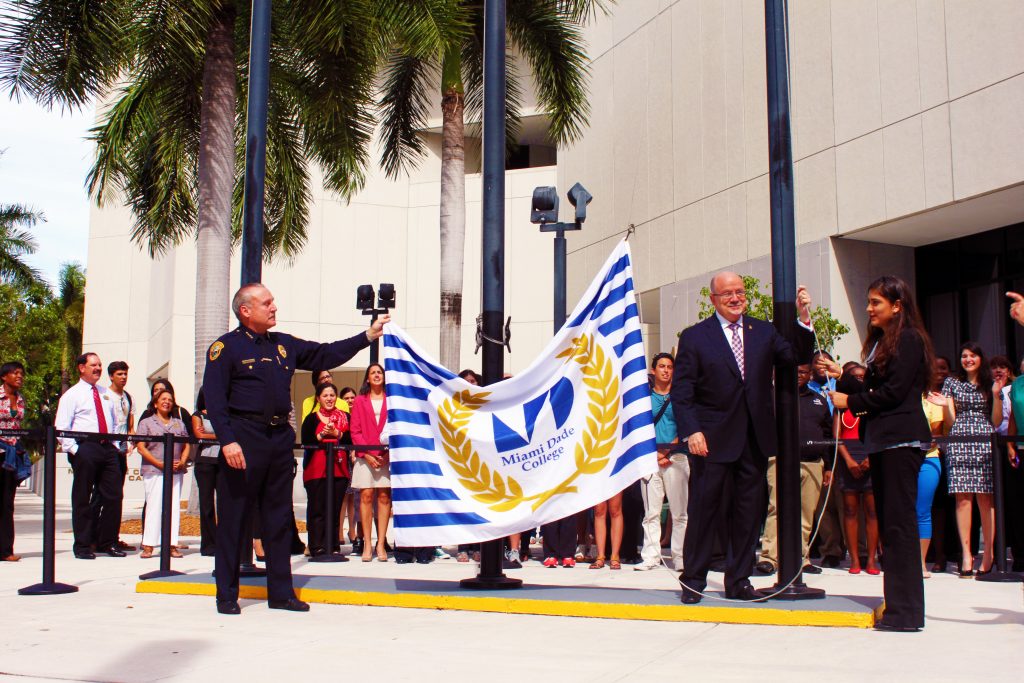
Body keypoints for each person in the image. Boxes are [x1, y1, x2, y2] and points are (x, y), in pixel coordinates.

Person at [203, 283, 387, 615]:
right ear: (245, 311)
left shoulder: (283, 345)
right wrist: (227, 440)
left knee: (278, 519)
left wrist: (367, 337)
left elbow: (325, 354)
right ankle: (226, 595)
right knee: (234, 517)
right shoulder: (225, 348)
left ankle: (281, 593)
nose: (274, 307)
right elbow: (215, 400)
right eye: (266, 303)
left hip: (277, 439)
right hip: (243, 438)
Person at [672, 272, 815, 603]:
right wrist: (692, 430)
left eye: (739, 292)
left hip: (753, 439)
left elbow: (795, 356)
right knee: (704, 512)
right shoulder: (695, 336)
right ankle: (693, 580)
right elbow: (683, 390)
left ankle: (738, 580)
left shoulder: (763, 331)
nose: (735, 298)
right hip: (710, 441)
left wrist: (804, 319)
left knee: (748, 515)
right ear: (714, 299)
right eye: (727, 294)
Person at [829, 275, 935, 632]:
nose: (869, 309)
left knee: (899, 526)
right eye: (869, 301)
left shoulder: (908, 339)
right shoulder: (884, 342)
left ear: (897, 305)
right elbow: (876, 387)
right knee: (893, 526)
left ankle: (905, 613)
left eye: (876, 302)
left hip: (900, 441)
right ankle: (900, 608)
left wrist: (851, 402)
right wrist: (842, 377)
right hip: (885, 442)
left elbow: (894, 393)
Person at [756, 363, 832, 577]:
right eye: (795, 371)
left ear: (810, 375)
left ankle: (802, 558)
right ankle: (770, 558)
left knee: (806, 513)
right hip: (779, 461)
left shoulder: (818, 400)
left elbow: (827, 433)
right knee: (776, 508)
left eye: (803, 372)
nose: (799, 375)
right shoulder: (771, 396)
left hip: (813, 462)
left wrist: (827, 465)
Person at [55, 352, 125, 560]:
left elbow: (113, 421)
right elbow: (62, 428)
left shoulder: (105, 393)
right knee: (82, 498)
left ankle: (108, 542)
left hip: (107, 448)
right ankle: (83, 545)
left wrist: (114, 445)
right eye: (93, 365)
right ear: (81, 367)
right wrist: (76, 451)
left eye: (100, 365)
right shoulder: (72, 395)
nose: (98, 368)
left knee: (114, 496)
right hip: (86, 448)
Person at [941, 341, 1002, 577]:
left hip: (984, 439)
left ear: (980, 358)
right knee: (962, 498)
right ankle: (966, 554)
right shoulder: (952, 383)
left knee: (985, 499)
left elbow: (996, 421)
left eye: (973, 355)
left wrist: (996, 395)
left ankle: (988, 555)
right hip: (959, 439)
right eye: (964, 356)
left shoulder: (989, 382)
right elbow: (950, 421)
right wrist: (945, 405)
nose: (968, 359)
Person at [636, 353, 688, 572]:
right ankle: (651, 556)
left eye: (669, 367)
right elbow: (639, 427)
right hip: (651, 458)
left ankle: (680, 557)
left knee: (679, 512)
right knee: (651, 512)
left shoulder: (680, 397)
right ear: (653, 370)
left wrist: (667, 451)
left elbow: (686, 426)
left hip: (676, 457)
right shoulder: (645, 398)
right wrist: (657, 454)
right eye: (662, 366)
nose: (666, 370)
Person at [833, 366, 879, 576]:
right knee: (850, 510)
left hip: (870, 455)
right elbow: (836, 436)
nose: (859, 381)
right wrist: (849, 461)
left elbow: (877, 432)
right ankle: (854, 559)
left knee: (872, 511)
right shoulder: (841, 407)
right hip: (848, 458)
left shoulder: (872, 404)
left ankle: (871, 559)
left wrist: (870, 458)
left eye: (863, 377)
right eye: (855, 377)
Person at [135, 387, 191, 558]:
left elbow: (187, 444)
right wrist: (159, 463)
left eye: (170, 400)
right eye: (163, 399)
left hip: (175, 471)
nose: (167, 402)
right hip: (154, 470)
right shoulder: (146, 423)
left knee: (173, 506)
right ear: (155, 403)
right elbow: (141, 447)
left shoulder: (179, 423)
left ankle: (171, 544)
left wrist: (182, 461)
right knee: (154, 506)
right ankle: (149, 545)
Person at [350, 363, 394, 563]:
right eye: (373, 373)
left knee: (384, 497)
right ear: (367, 378)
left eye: (379, 372)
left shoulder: (391, 399)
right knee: (366, 496)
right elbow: (355, 430)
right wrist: (367, 454)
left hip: (385, 456)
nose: (377, 375)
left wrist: (387, 454)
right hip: (365, 456)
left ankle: (381, 543)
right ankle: (367, 543)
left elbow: (396, 427)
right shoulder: (360, 400)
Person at [300, 382, 349, 557]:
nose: (329, 398)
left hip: (339, 469)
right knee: (317, 508)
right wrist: (321, 435)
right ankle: (316, 545)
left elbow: (351, 440)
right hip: (316, 469)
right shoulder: (311, 419)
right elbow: (306, 440)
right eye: (325, 395)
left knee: (334, 509)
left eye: (332, 395)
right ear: (318, 398)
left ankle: (332, 544)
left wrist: (337, 434)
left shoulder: (345, 416)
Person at [97, 361, 135, 553]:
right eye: (119, 374)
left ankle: (112, 537)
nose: (123, 377)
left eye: (125, 374)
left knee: (116, 495)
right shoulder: (104, 396)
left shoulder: (128, 397)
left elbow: (130, 424)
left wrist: (131, 442)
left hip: (121, 450)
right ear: (111, 376)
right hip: (106, 448)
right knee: (101, 496)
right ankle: (97, 538)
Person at [919, 366, 952, 577]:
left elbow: (936, 433)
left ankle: (920, 562)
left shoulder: (932, 399)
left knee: (922, 511)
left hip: (927, 459)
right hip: (901, 459)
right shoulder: (898, 398)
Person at [0, 362, 29, 562]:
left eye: (21, 373)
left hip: (12, 455)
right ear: (4, 377)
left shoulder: (20, 399)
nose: (19, 376)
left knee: (7, 503)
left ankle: (5, 550)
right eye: (15, 373)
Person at [455, 371, 481, 563]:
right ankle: (463, 548)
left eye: (473, 381)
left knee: (480, 507)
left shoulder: (485, 405)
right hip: (460, 462)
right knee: (463, 507)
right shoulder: (453, 405)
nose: (470, 384)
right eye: (466, 381)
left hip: (481, 463)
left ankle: (479, 547)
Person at [191, 388, 220, 557]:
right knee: (207, 504)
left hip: (222, 461)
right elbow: (198, 435)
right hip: (205, 463)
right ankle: (209, 545)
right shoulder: (198, 415)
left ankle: (223, 541)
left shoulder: (222, 413)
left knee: (224, 504)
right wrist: (220, 435)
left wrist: (211, 435)